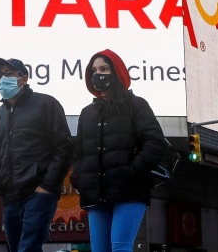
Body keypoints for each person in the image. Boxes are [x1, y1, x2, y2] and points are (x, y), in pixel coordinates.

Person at [0, 58, 75, 252]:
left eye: (9, 74)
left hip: (38, 194)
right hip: (10, 198)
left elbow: (64, 148)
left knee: (27, 249)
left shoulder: (46, 104)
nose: (3, 79)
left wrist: (46, 187)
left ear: (24, 78)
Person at [71, 50, 167, 252]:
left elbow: (155, 142)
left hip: (129, 191)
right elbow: (79, 152)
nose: (98, 74)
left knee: (121, 248)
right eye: (94, 70)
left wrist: (132, 172)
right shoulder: (87, 113)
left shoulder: (136, 105)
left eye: (104, 69)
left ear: (117, 72)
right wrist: (79, 178)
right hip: (96, 194)